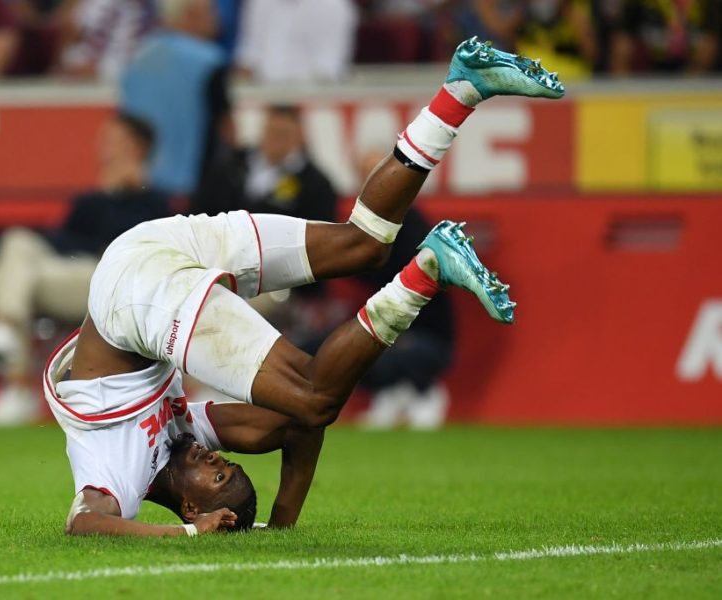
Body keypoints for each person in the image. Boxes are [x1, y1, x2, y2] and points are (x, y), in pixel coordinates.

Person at [45, 37, 564, 537]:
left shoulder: (119, 471)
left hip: (134, 295)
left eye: (218, 475)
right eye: (228, 467)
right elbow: (298, 424)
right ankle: (462, 89)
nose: (216, 459)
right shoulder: (184, 438)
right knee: (363, 245)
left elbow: (83, 522)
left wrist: (187, 535)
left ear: (189, 507)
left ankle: (426, 271)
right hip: (154, 248)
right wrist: (284, 520)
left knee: (314, 395)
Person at [0, 112, 167, 425]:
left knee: (3, 277)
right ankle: (9, 352)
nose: (103, 147)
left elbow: (131, 249)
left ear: (138, 148)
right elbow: (64, 242)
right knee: (16, 244)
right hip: (74, 276)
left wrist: (126, 194)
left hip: (116, 288)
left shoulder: (155, 200)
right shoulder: (92, 198)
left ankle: (15, 377)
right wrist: (106, 197)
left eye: (113, 140)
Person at [121, 0, 233, 196]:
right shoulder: (208, 60)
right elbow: (225, 124)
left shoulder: (138, 55)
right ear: (190, 16)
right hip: (193, 180)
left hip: (142, 176)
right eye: (210, 13)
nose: (218, 20)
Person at [191, 105, 337, 223]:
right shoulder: (231, 166)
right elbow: (201, 210)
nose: (276, 141)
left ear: (298, 137)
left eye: (283, 134)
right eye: (271, 132)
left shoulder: (315, 184)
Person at [235, 0, 358, 83]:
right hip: (259, 100)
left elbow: (330, 70)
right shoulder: (258, 3)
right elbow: (249, 56)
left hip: (311, 102)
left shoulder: (335, 6)